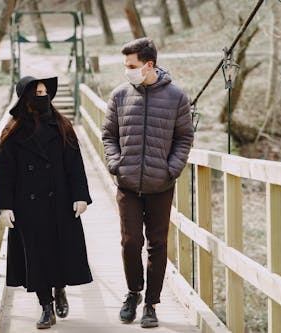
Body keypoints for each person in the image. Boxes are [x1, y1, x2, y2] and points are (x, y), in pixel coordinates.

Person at [102, 38, 194, 328]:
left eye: (131, 66)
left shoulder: (177, 97)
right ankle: (133, 293)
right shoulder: (119, 96)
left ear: (149, 65)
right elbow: (108, 135)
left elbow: (184, 138)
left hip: (161, 185)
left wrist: (172, 169)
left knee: (157, 245)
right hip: (127, 184)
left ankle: (151, 304)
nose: (126, 71)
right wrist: (116, 164)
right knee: (131, 243)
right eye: (125, 65)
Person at [0, 76, 93, 329]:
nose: (42, 96)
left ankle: (60, 289)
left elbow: (75, 164)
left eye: (45, 91)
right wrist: (4, 206)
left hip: (59, 199)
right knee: (36, 255)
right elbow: (5, 172)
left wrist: (80, 195)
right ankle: (46, 306)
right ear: (26, 97)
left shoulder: (62, 125)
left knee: (59, 250)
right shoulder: (13, 130)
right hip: (28, 205)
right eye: (37, 92)